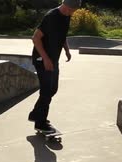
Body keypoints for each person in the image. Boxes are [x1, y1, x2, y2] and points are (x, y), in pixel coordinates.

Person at [28, 0, 81, 134]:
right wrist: (45, 59)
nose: (72, 13)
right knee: (46, 91)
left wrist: (67, 50)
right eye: (72, 10)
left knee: (53, 89)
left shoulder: (66, 16)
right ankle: (40, 123)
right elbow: (35, 38)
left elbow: (62, 35)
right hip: (42, 59)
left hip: (53, 60)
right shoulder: (51, 16)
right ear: (67, 5)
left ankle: (35, 114)